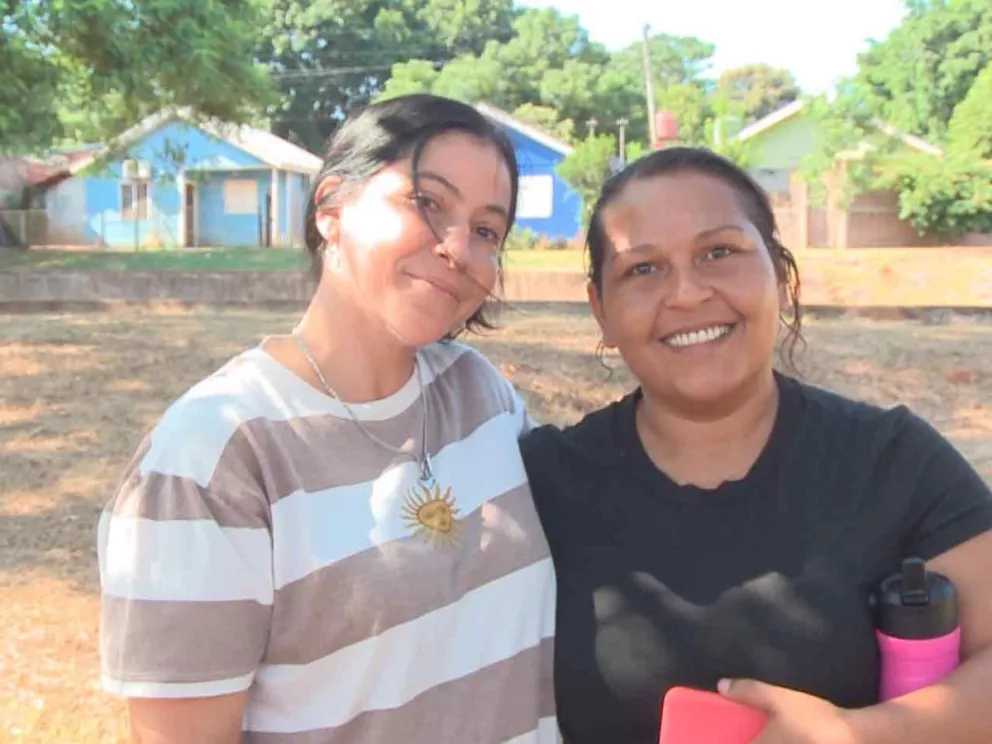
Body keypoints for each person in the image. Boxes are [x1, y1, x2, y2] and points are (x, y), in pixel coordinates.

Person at [97, 94, 559, 744]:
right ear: (331, 207)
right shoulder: (214, 457)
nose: (459, 248)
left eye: (487, 230)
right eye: (428, 203)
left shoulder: (480, 394)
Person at [521, 147, 992, 744]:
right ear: (601, 311)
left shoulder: (893, 461)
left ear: (782, 275)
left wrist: (865, 736)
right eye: (643, 269)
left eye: (719, 252)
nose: (687, 295)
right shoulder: (540, 484)